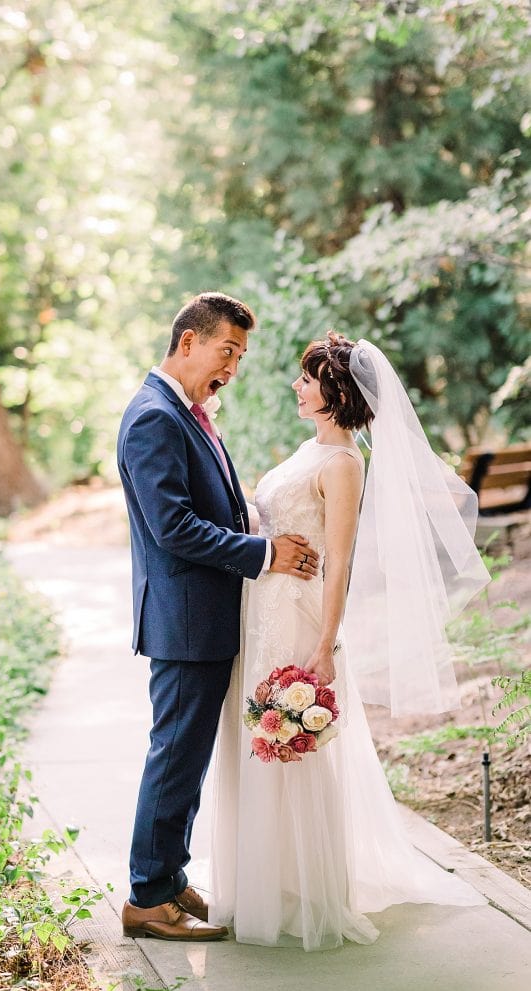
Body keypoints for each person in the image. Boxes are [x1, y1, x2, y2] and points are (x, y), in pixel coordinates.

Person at [209, 330, 491, 949]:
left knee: (292, 745)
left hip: (299, 619)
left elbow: (340, 562)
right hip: (259, 611)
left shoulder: (343, 465)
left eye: (306, 378)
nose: (295, 385)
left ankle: (308, 890)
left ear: (334, 391)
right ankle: (264, 879)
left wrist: (326, 644)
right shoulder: (307, 452)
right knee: (253, 741)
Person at [117, 292, 319, 941]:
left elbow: (210, 506)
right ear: (187, 343)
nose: (231, 366)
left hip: (203, 617)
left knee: (189, 755)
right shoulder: (153, 416)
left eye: (239, 355)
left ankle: (169, 877)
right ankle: (147, 896)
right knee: (174, 755)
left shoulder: (186, 412)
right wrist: (263, 553)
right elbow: (172, 525)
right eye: (225, 350)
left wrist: (251, 519)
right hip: (181, 620)